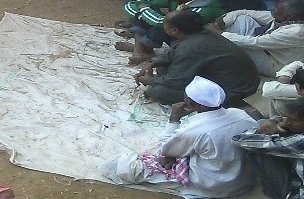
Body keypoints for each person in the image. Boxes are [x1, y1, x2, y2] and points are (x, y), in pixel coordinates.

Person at [100, 76, 259, 198]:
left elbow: (165, 149)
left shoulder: (196, 130)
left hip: (212, 184)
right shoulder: (241, 115)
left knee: (114, 167)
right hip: (243, 181)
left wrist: (174, 118)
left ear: (190, 103)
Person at [135, 9, 260, 106]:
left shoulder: (191, 46)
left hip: (233, 92)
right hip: (233, 81)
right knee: (163, 67)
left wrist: (149, 80)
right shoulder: (202, 34)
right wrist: (153, 63)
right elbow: (175, 54)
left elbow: (176, 81)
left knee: (158, 91)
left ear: (174, 30)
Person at [233, 97, 304, 199]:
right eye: (286, 118)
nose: (287, 122)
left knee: (256, 152)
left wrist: (270, 127)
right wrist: (277, 122)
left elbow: (239, 139)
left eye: (293, 120)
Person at [119, 0, 222, 65]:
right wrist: (140, 14)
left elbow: (162, 23)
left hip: (195, 43)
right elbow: (131, 4)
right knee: (148, 15)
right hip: (177, 30)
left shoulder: (202, 11)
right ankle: (142, 48)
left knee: (161, 22)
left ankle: (142, 49)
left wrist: (143, 10)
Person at [213, 0, 304, 77]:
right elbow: (244, 12)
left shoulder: (297, 32)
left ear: (289, 17)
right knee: (243, 19)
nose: (273, 8)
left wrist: (219, 33)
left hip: (277, 66)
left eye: (277, 7)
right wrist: (219, 24)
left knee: (238, 44)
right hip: (267, 52)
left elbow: (255, 43)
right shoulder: (285, 19)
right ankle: (215, 44)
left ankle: (214, 51)